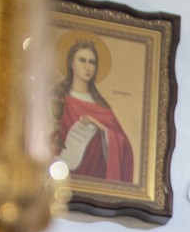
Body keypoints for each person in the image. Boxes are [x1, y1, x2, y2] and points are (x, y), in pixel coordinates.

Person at [52, 39, 134, 183]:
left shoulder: (103, 108)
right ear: (71, 63)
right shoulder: (58, 99)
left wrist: (100, 127)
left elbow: (124, 145)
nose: (87, 67)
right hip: (60, 179)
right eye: (82, 60)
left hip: (95, 181)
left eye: (92, 62)